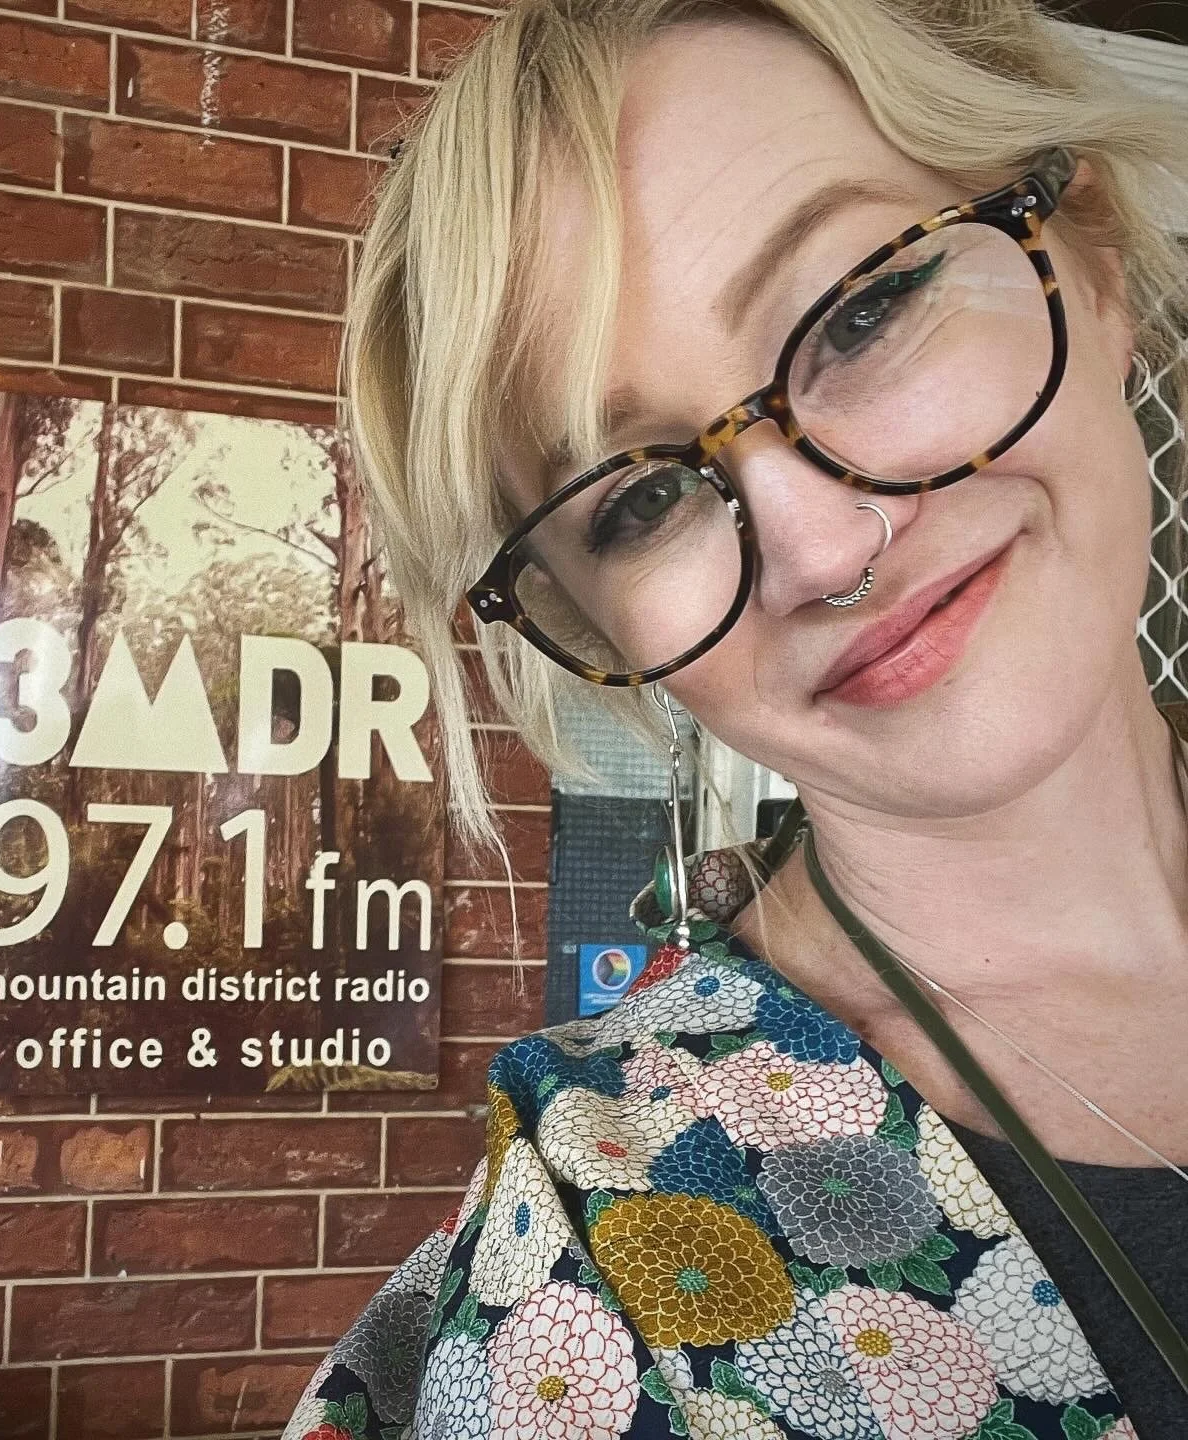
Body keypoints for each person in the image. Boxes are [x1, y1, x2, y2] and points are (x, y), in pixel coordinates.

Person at [286, 0, 1188, 1434]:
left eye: (865, 311)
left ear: (1093, 251)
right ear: (596, 630)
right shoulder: (600, 1273)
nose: (824, 549)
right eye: (639, 501)